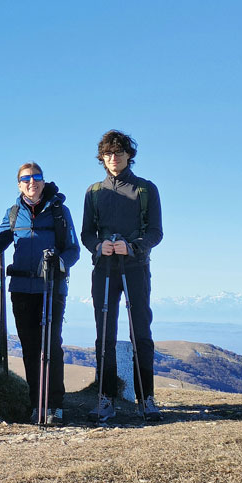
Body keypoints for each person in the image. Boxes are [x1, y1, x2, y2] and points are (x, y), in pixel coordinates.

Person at [0, 163, 80, 425]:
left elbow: (73, 249)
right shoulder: (13, 213)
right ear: (19, 184)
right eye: (25, 179)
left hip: (51, 289)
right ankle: (36, 404)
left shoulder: (60, 211)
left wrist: (59, 263)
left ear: (43, 181)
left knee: (51, 346)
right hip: (21, 289)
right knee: (29, 349)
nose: (32, 182)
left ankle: (55, 406)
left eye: (36, 177)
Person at [81, 130, 163, 422]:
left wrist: (133, 247)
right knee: (104, 334)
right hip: (103, 270)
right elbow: (86, 234)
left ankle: (147, 399)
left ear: (129, 155)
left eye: (118, 152)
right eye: (107, 153)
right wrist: (98, 246)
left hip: (136, 268)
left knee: (140, 332)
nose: (113, 158)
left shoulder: (145, 190)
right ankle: (105, 399)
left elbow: (156, 232)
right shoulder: (93, 193)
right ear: (102, 158)